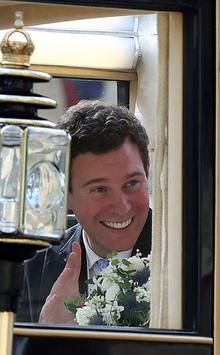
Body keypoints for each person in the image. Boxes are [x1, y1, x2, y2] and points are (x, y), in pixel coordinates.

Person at [18, 100, 152, 324]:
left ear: (147, 172)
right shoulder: (33, 264)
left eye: (131, 183)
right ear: (64, 194)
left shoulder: (185, 256)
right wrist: (46, 338)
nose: (122, 207)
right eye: (100, 189)